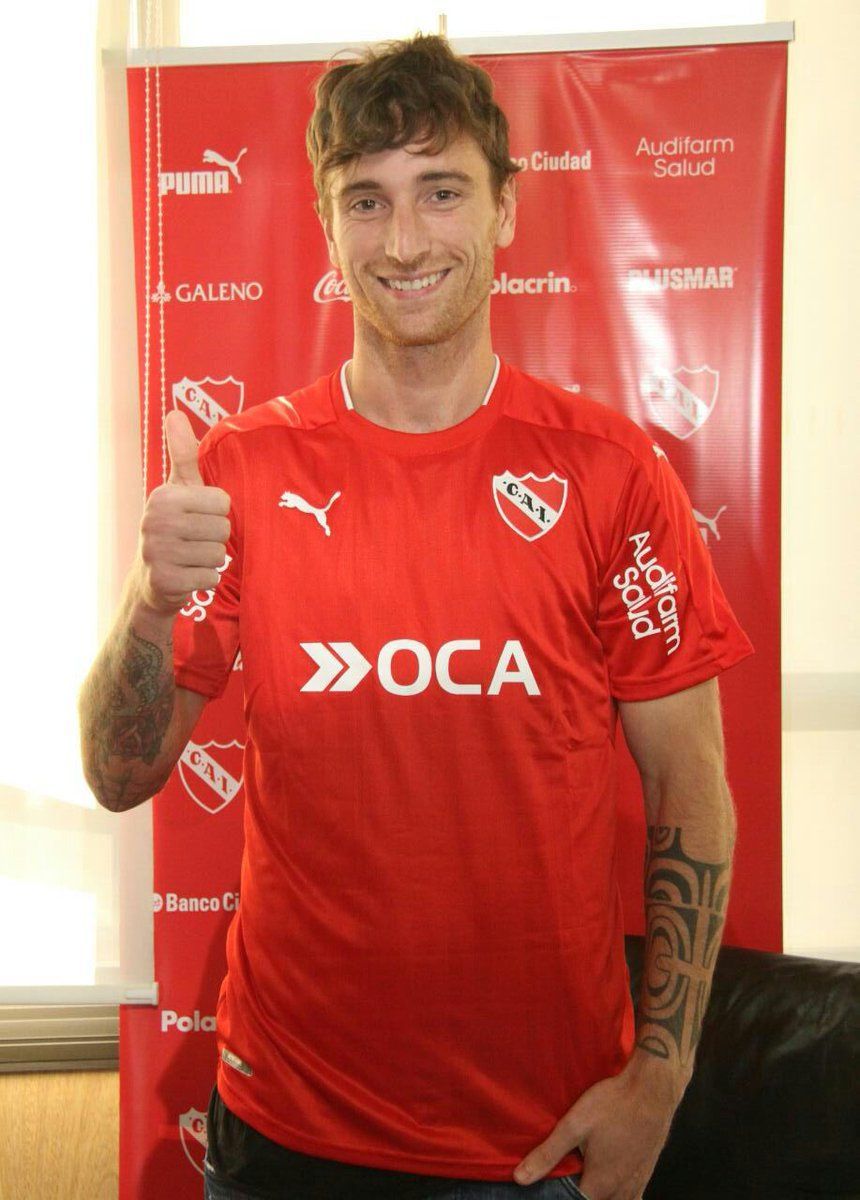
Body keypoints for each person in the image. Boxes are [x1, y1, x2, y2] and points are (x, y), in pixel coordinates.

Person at [79, 33, 753, 1200]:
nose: (401, 242)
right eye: (366, 200)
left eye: (440, 192)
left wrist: (661, 1075)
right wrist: (150, 603)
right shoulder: (238, 472)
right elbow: (119, 773)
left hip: (536, 1142)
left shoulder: (608, 475)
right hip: (284, 1127)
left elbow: (689, 789)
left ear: (503, 211)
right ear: (329, 229)